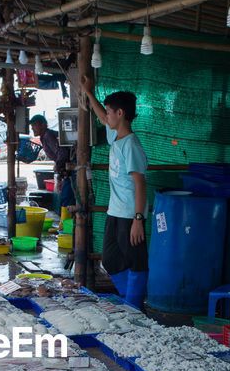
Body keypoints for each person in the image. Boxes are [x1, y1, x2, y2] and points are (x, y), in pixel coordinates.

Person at [74, 75, 148, 308]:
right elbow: (98, 113)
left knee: (136, 262)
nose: (106, 115)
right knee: (110, 259)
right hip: (114, 212)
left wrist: (138, 219)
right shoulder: (114, 136)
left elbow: (140, 185)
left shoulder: (132, 146)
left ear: (121, 113)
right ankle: (130, 300)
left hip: (129, 214)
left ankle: (135, 308)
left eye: (110, 111)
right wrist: (88, 91)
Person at [29, 114, 72, 210]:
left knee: (67, 199)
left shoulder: (48, 135)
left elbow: (62, 153)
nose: (33, 129)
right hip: (65, 168)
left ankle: (69, 222)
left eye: (34, 126)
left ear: (43, 125)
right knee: (65, 198)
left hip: (68, 169)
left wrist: (58, 167)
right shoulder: (44, 136)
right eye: (32, 127)